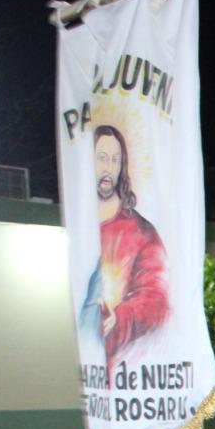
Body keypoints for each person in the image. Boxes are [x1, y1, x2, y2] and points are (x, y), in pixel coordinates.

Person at [80, 124, 169, 370]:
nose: (108, 168)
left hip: (120, 378)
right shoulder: (76, 226)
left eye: (115, 160)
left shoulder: (141, 232)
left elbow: (156, 297)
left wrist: (118, 318)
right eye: (102, 158)